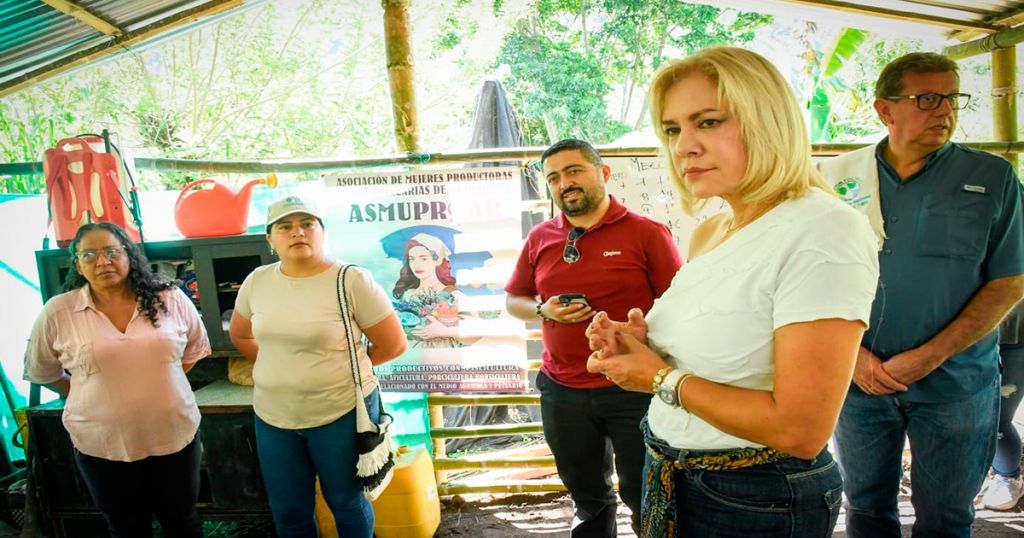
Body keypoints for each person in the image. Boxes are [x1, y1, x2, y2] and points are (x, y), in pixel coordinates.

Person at [585, 46, 879, 537]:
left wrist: (659, 378)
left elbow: (801, 430)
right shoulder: (712, 229)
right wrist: (642, 345)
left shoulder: (825, 229)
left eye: (708, 122)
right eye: (674, 129)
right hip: (672, 474)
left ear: (769, 122)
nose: (684, 147)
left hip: (753, 494)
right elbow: (724, 346)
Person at [818, 51, 1024, 537]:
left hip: (955, 384)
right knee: (865, 509)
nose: (945, 111)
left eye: (953, 98)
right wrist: (854, 359)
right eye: (928, 98)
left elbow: (1009, 281)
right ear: (884, 110)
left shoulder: (993, 177)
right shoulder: (834, 179)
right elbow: (809, 278)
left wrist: (929, 357)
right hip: (857, 383)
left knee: (947, 517)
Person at [505, 138, 682, 536]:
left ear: (602, 173)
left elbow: (680, 307)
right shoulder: (540, 238)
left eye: (573, 171)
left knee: (643, 495)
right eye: (553, 177)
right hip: (562, 389)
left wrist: (640, 332)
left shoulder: (647, 232)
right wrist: (542, 310)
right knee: (586, 497)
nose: (563, 183)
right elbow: (514, 300)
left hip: (634, 389)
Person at [228, 195, 408, 538]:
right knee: (289, 510)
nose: (297, 232)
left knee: (346, 502)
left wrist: (345, 370)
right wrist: (278, 369)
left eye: (307, 224)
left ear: (322, 232)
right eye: (285, 226)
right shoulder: (257, 281)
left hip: (339, 413)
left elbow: (393, 344)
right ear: (270, 239)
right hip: (274, 418)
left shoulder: (351, 280)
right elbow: (241, 335)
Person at [24, 222, 210, 538]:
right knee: (127, 529)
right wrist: (85, 394)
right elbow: (43, 371)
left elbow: (193, 351)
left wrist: (159, 382)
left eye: (112, 251)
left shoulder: (170, 298)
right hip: (102, 444)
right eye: (90, 255)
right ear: (78, 264)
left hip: (173, 435)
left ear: (129, 255)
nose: (102, 262)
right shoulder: (60, 311)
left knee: (182, 522)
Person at [392, 233, 466, 347]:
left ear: (438, 260)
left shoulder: (453, 295)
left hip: (446, 357)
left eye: (423, 259)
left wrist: (443, 331)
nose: (416, 265)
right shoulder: (408, 295)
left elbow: (475, 329)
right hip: (412, 358)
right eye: (412, 259)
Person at [983, 303, 1024, 510]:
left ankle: (1008, 476)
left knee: (998, 418)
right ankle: (978, 473)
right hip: (956, 336)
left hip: (1013, 336)